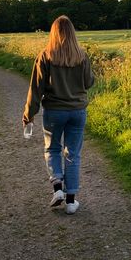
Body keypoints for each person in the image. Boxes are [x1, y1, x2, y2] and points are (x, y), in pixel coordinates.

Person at [22, 16, 95, 214]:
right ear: (72, 33)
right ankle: (71, 202)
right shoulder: (82, 56)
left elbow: (36, 88)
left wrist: (29, 114)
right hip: (78, 111)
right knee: (73, 154)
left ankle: (57, 189)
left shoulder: (45, 56)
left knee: (53, 149)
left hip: (54, 111)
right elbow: (89, 83)